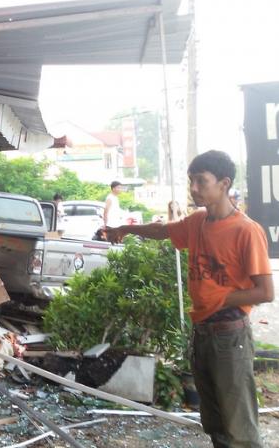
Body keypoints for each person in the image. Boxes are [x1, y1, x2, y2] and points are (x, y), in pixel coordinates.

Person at [106, 150, 274, 448]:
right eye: (191, 181)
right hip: (203, 332)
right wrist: (124, 229)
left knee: (240, 428)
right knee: (214, 421)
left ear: (224, 184)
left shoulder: (246, 230)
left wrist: (221, 297)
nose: (194, 188)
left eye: (201, 181)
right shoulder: (197, 222)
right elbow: (162, 230)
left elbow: (265, 291)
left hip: (230, 335)